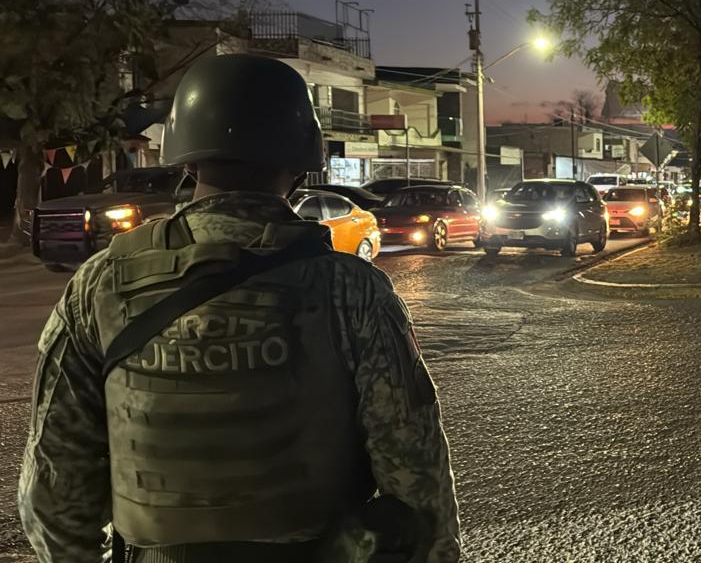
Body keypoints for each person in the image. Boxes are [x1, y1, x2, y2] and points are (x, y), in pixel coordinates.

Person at [18, 54, 461, 562]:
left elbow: (52, 493)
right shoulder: (351, 289)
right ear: (301, 164)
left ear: (186, 160)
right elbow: (417, 480)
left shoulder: (99, 283)